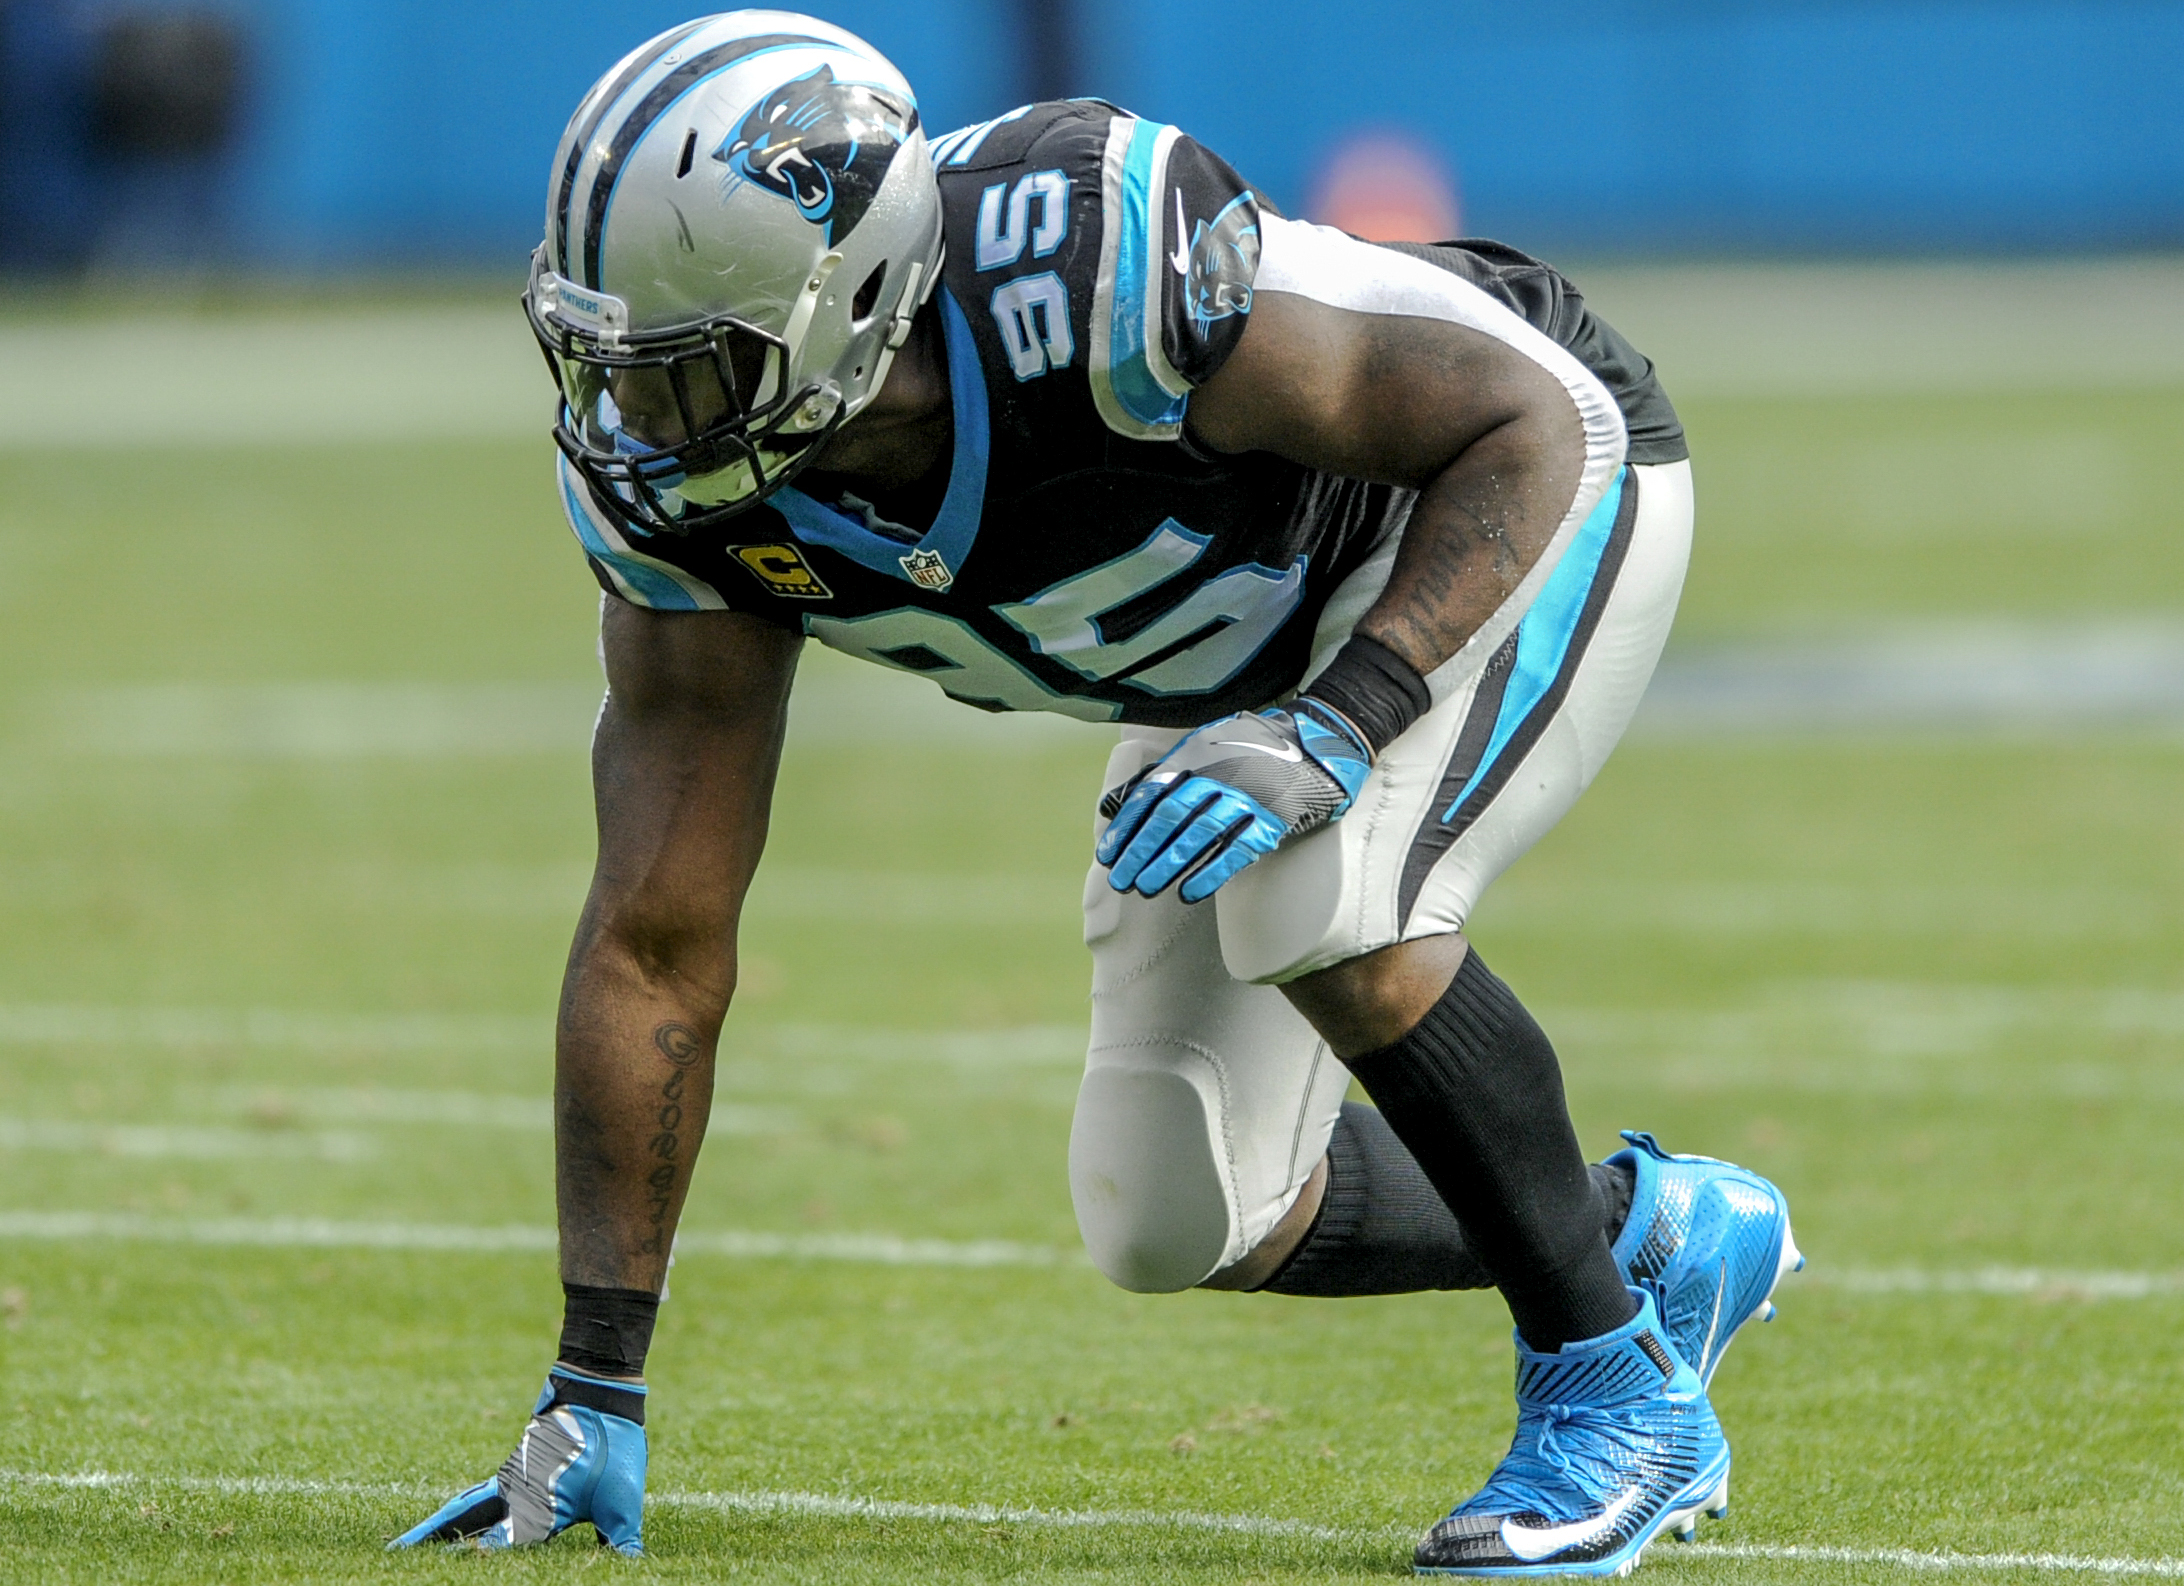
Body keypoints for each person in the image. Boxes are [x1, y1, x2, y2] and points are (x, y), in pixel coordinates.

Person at [394, 12, 1801, 1574]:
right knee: (1178, 1203)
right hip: (1250, 656)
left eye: (690, 373)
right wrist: (598, 1369)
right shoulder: (676, 510)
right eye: (611, 367)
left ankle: (1616, 1396)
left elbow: (1520, 425)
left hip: (1509, 497)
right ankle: (1646, 1233)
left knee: (1322, 896)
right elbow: (657, 935)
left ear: (848, 298)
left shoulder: (1088, 272)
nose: (637, 427)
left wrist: (1345, 720)